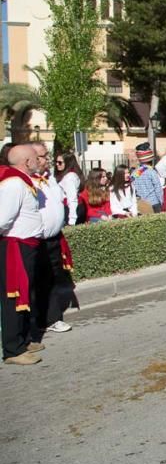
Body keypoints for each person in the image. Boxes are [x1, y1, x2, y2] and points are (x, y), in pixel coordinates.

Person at [0, 144, 45, 365]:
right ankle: (12, 349)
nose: (39, 160)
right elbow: (2, 219)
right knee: (13, 298)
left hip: (26, 246)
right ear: (27, 162)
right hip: (16, 248)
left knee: (25, 295)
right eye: (36, 157)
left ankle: (24, 339)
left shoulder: (23, 181)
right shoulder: (14, 184)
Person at [30, 143, 74, 335]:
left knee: (53, 278)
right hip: (36, 239)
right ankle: (37, 320)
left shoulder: (50, 179)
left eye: (46, 155)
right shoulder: (26, 181)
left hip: (53, 238)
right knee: (37, 281)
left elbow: (59, 201)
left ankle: (52, 318)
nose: (46, 159)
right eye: (42, 156)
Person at [132, 143, 163, 214]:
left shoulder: (135, 173)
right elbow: (158, 189)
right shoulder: (152, 172)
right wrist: (161, 202)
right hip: (154, 204)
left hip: (141, 204)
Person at [55, 152, 83, 226]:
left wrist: (71, 220)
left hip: (70, 210)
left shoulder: (70, 177)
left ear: (68, 163)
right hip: (68, 208)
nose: (57, 164)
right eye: (56, 162)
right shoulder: (67, 175)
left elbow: (72, 199)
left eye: (60, 162)